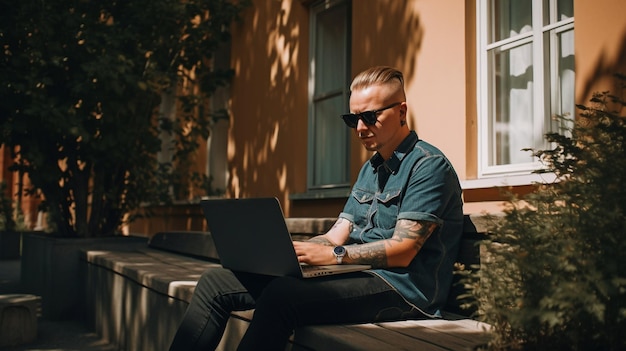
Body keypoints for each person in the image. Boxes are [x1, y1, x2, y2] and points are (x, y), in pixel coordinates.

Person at [168, 66, 464, 351]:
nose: (361, 128)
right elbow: (337, 234)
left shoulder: (428, 166)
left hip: (403, 289)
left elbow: (404, 250)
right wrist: (293, 253)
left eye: (371, 116)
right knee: (215, 282)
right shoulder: (371, 169)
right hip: (356, 272)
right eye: (353, 119)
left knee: (280, 297)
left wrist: (334, 256)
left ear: (401, 111)